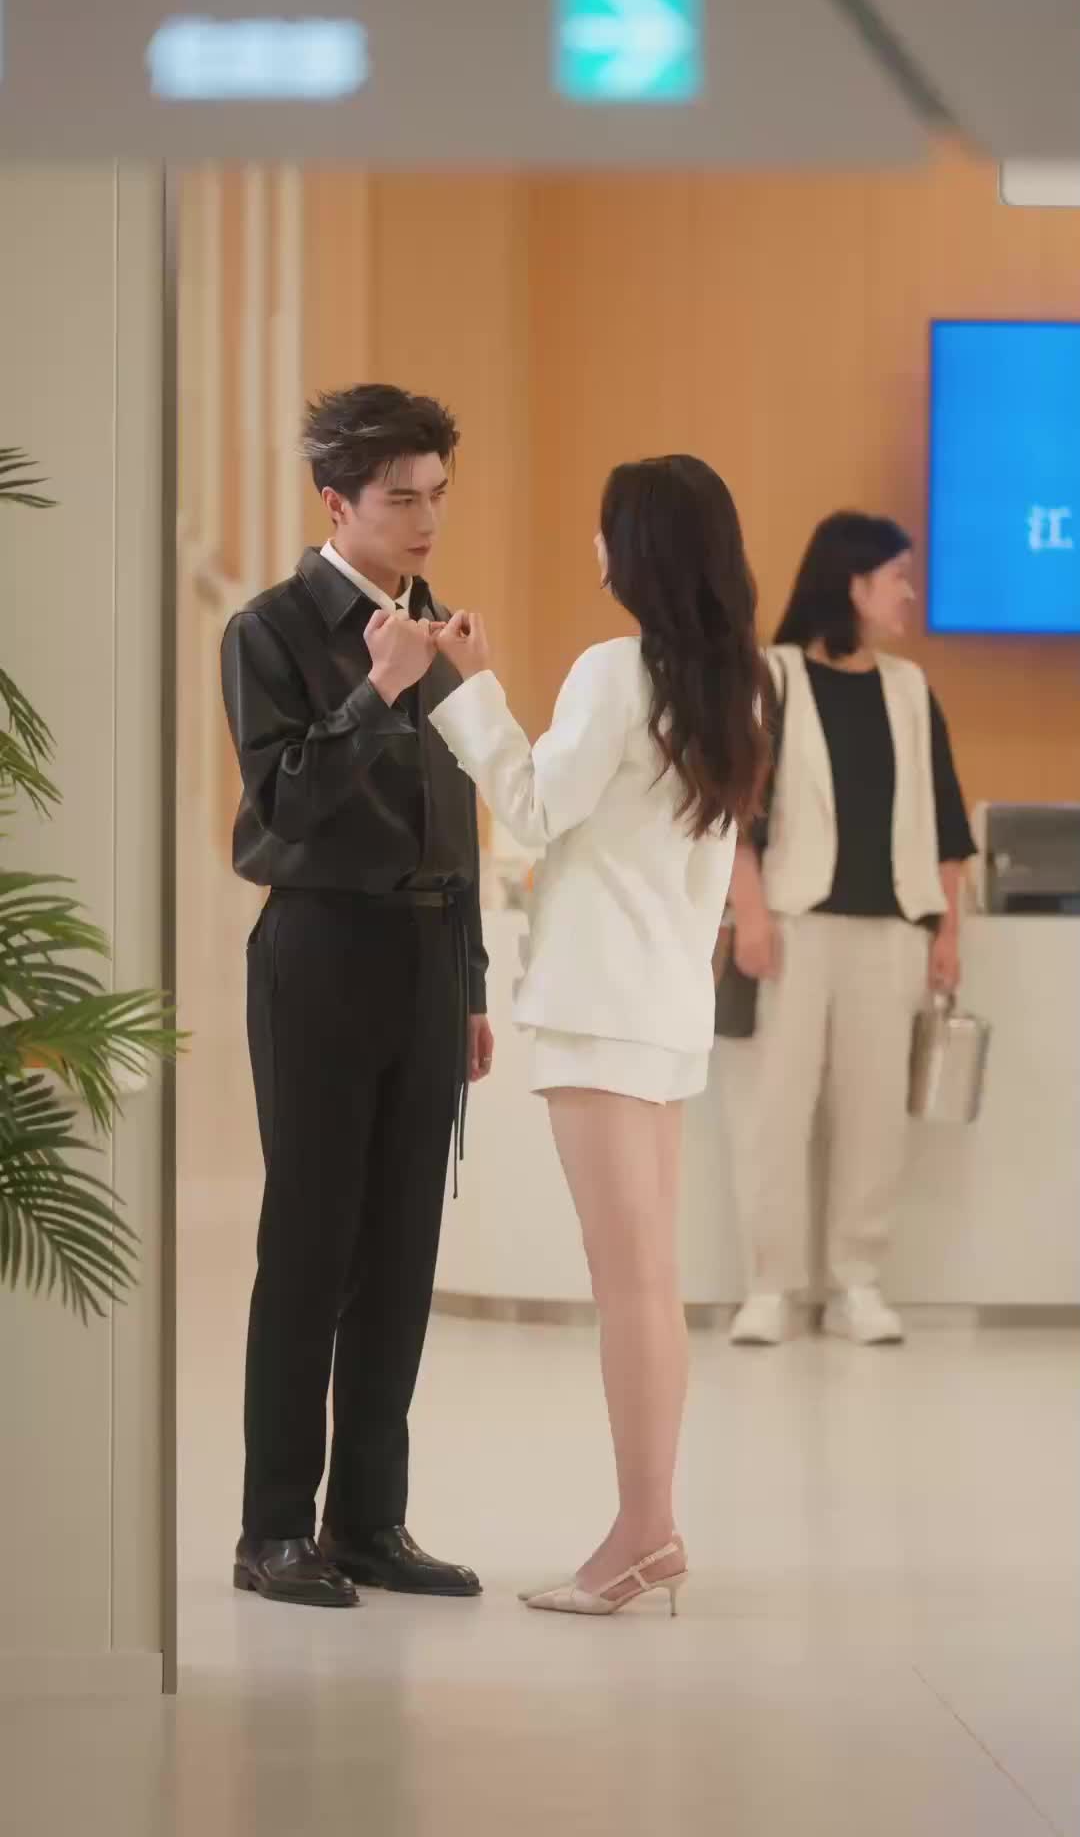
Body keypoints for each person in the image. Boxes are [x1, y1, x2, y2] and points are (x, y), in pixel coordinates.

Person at [428, 455, 769, 1617]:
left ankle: (642, 1534)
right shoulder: (736, 687)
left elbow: (532, 809)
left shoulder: (616, 671)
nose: (594, 544)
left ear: (641, 550)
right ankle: (649, 1528)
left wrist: (473, 685)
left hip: (598, 1007)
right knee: (649, 1282)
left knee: (630, 1287)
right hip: (664, 1010)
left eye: (606, 526)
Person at [220, 384, 493, 1608]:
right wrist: (374, 690)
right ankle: (273, 1530)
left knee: (400, 1252)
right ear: (336, 503)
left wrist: (471, 981)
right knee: (310, 1248)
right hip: (319, 951)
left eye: (437, 495)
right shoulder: (270, 630)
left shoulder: (435, 625)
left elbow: (457, 815)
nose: (426, 520)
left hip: (428, 956)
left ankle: (370, 1523)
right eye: (400, 499)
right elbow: (281, 808)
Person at [725, 511, 976, 1349]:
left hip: (891, 930)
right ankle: (769, 1286)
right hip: (792, 927)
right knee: (776, 1109)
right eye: (897, 578)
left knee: (874, 1118)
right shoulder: (773, 676)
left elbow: (946, 824)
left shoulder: (910, 688)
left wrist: (947, 933)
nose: (909, 594)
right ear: (854, 583)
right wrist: (750, 913)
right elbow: (737, 813)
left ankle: (856, 1283)